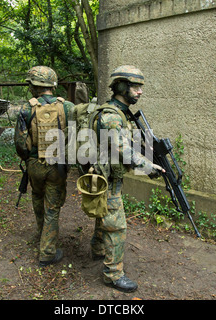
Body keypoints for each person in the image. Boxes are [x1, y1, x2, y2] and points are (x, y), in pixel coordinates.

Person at [90, 65, 164, 292]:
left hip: (108, 176)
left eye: (141, 86)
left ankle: (97, 249)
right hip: (107, 178)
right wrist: (148, 166)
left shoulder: (120, 112)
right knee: (117, 226)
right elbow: (122, 149)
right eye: (135, 86)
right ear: (121, 86)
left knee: (105, 214)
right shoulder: (112, 116)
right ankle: (112, 274)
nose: (140, 91)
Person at [17, 66, 74, 267]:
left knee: (37, 198)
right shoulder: (67, 107)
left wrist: (28, 158)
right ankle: (48, 251)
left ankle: (43, 236)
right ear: (52, 85)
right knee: (52, 207)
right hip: (56, 166)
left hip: (34, 165)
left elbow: (20, 143)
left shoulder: (26, 109)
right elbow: (74, 139)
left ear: (33, 86)